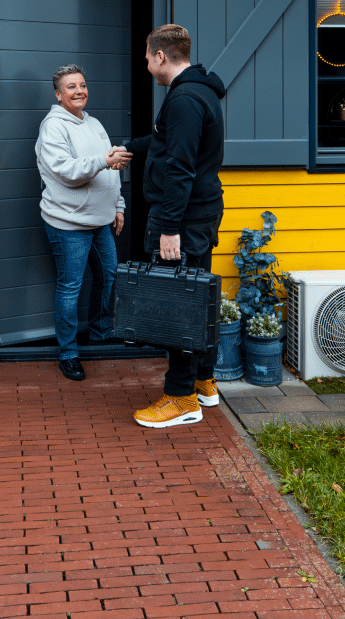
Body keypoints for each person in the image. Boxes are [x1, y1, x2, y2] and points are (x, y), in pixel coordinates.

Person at [119, 24, 226, 428]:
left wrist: (168, 227)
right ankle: (202, 381)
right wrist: (130, 148)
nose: (147, 65)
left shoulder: (183, 99)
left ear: (161, 56)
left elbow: (180, 166)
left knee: (178, 305)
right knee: (197, 298)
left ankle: (181, 398)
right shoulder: (198, 92)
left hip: (184, 220)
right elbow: (167, 142)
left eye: (148, 58)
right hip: (199, 214)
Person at [36, 64, 131, 381]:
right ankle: (68, 354)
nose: (79, 91)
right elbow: (67, 171)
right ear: (58, 94)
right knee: (70, 288)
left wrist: (118, 205)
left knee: (108, 275)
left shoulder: (94, 123)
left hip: (100, 221)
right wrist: (104, 160)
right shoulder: (53, 127)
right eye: (71, 87)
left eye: (82, 85)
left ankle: (100, 336)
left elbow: (113, 169)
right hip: (68, 224)